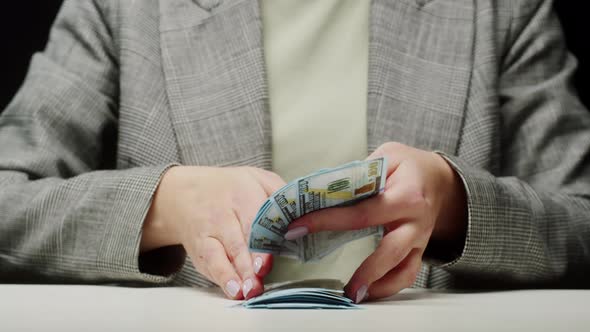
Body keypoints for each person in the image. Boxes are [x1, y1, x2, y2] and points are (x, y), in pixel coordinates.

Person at [0, 0, 589, 304]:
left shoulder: (500, 10)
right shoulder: (125, 9)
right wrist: (164, 204)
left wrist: (456, 203)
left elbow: (581, 219)